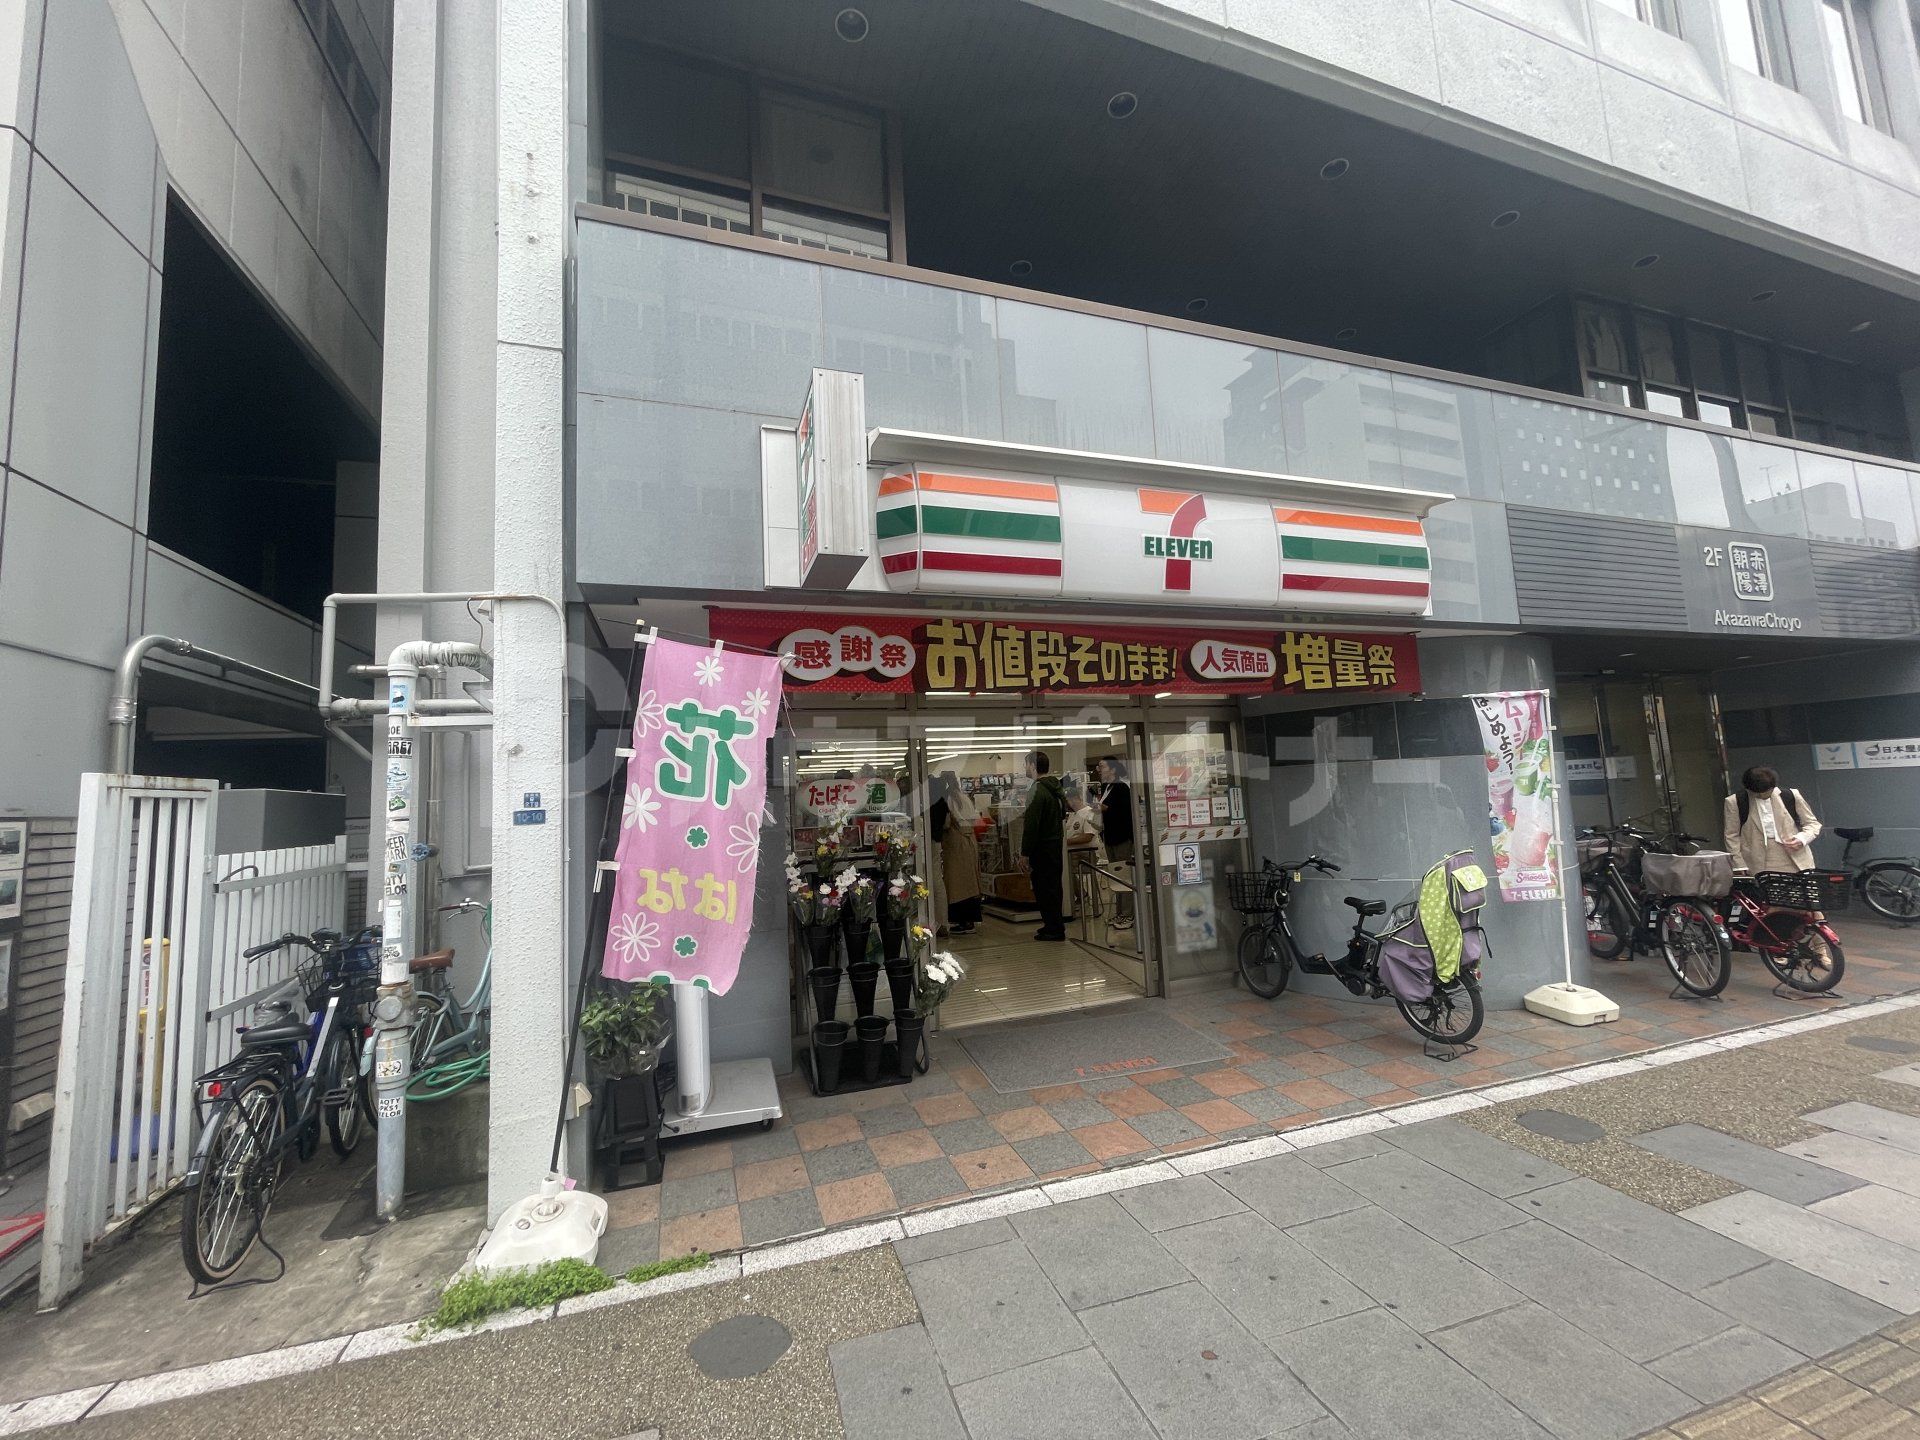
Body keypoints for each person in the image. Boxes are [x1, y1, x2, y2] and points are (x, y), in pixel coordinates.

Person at [1723, 765, 1830, 966]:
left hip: (1796, 857)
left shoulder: (1791, 796)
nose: (1763, 795)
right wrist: (1739, 864)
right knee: (1774, 907)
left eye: (1768, 791)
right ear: (1749, 789)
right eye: (1758, 793)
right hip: (1761, 860)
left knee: (1810, 903)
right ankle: (1777, 948)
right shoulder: (1736, 802)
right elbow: (1731, 835)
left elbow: (1813, 824)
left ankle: (1822, 950)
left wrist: (1802, 839)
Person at [1018, 749, 1067, 941]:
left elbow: (1032, 825)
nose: (1025, 768)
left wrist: (1025, 853)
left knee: (1043, 888)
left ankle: (1053, 929)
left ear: (1032, 766)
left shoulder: (1037, 790)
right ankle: (1054, 924)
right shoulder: (1056, 788)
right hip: (1055, 844)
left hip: (1042, 847)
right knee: (1053, 887)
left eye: (1026, 764)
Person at [930, 773, 982, 935]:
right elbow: (975, 819)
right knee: (970, 880)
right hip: (970, 839)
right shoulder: (964, 797)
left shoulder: (948, 798)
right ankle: (970, 920)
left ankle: (962, 921)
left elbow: (946, 823)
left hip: (956, 841)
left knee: (956, 882)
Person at [1094, 755, 1136, 927]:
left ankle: (1128, 914)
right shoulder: (1107, 787)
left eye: (1102, 766)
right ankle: (1120, 912)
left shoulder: (1122, 788)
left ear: (1112, 769)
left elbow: (1124, 813)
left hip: (1122, 838)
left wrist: (1103, 808)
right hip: (1110, 837)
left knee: (1124, 876)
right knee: (1116, 876)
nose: (1099, 770)